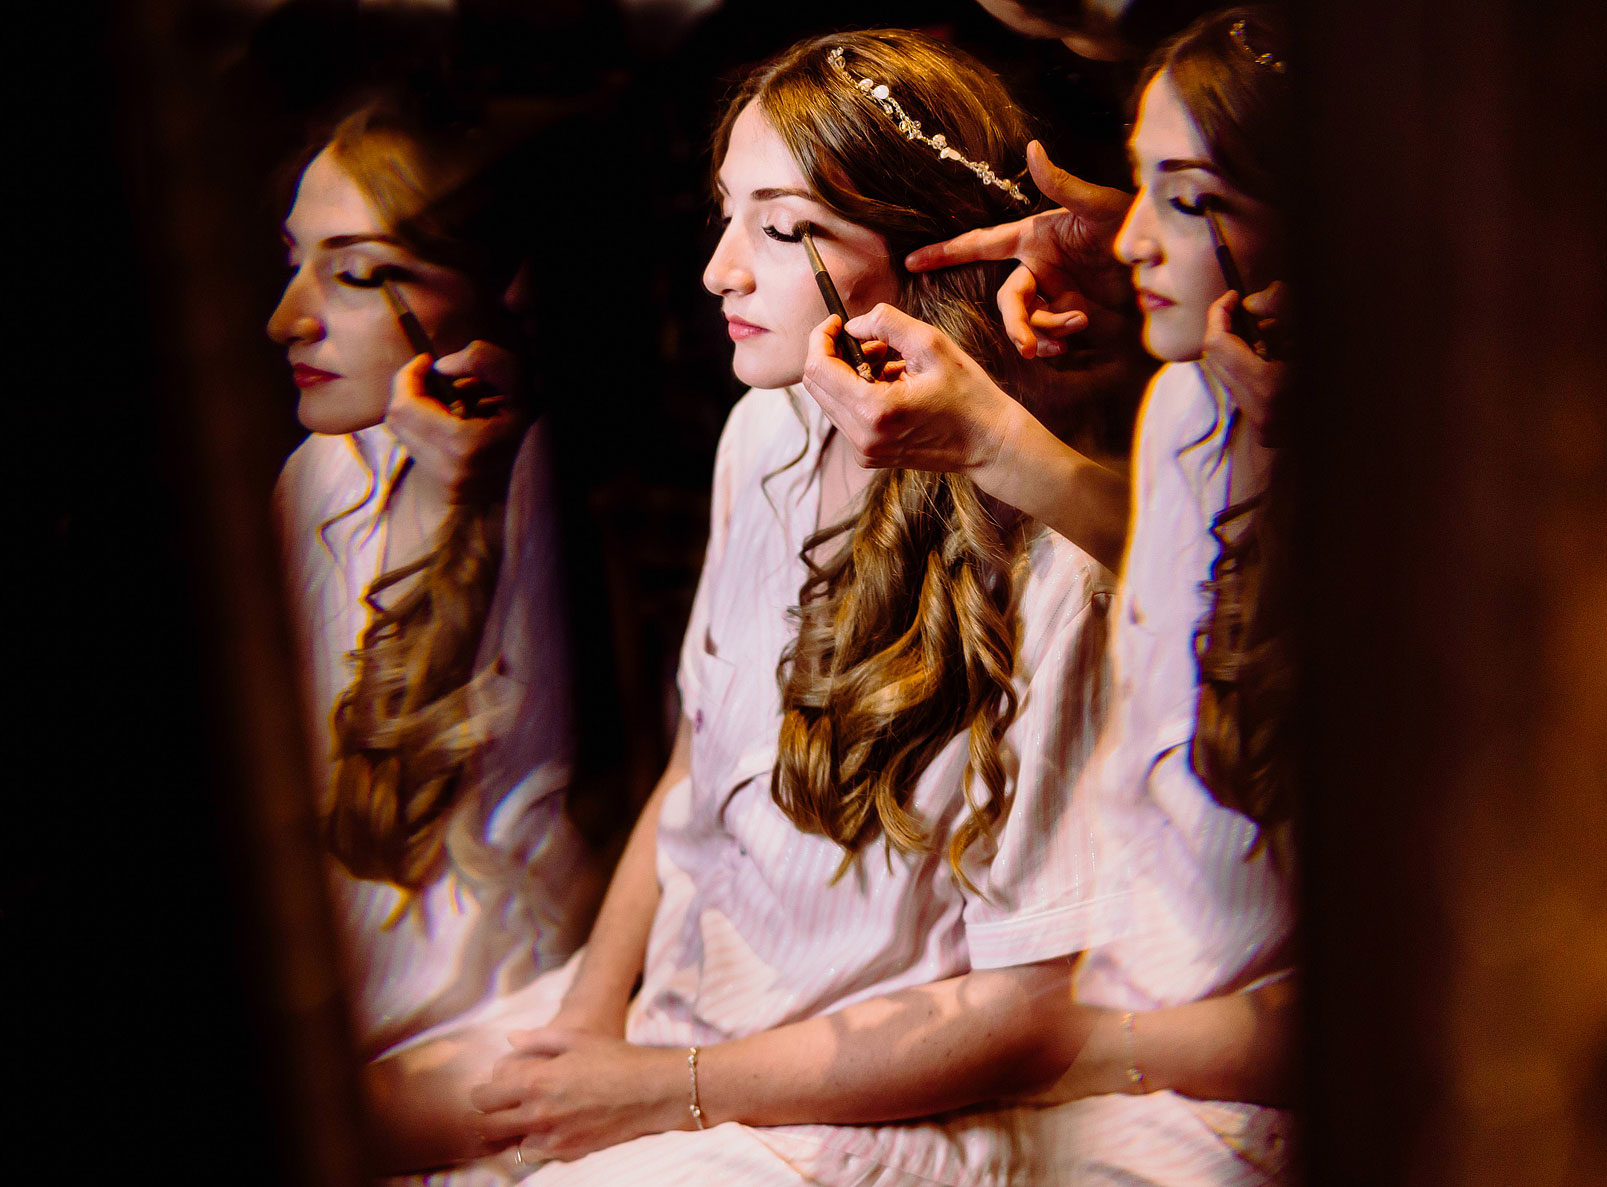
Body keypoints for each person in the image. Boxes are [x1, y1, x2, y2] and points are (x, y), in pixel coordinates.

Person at [457, 29, 1123, 1186]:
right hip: (682, 1013)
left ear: (928, 255)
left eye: (781, 228)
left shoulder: (1052, 551)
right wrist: (589, 1021)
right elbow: (691, 768)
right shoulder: (764, 430)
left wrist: (664, 1093)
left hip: (856, 1109)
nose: (719, 268)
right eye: (727, 213)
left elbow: (1021, 1011)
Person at [803, 8, 1298, 1182]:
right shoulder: (1190, 406)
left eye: (1185, 198)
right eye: (1139, 188)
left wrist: (1072, 1047)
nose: (1130, 243)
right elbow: (1163, 558)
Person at [269, 93, 602, 1180]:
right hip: (350, 1022)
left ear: (497, 290)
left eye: (356, 273)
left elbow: (397, 821)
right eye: (295, 262)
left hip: (495, 1034)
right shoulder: (321, 474)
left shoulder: (549, 485)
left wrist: (440, 510)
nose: (288, 319)